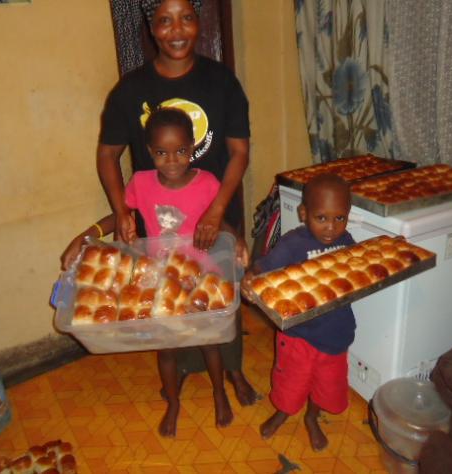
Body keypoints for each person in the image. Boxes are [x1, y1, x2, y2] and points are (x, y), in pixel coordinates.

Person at [94, 0, 257, 405]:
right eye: (165, 21)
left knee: (220, 296)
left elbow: (239, 151)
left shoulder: (222, 81)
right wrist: (121, 209)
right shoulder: (130, 90)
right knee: (170, 298)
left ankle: (233, 370)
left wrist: (217, 210)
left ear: (198, 22)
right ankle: (181, 370)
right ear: (151, 27)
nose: (177, 30)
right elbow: (107, 154)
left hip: (215, 212)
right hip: (162, 221)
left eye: (186, 17)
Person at [240, 174, 356, 451]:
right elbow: (264, 267)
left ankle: (312, 417)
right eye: (321, 218)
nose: (331, 227)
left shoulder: (348, 241)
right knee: (291, 381)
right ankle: (283, 412)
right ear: (304, 214)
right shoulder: (294, 243)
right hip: (298, 334)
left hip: (336, 334)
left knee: (327, 383)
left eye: (340, 218)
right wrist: (250, 278)